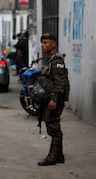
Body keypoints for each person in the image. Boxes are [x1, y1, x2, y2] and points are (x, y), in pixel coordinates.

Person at [38, 32, 70, 166]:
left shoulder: (57, 60)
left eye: (46, 43)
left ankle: (52, 157)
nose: (43, 45)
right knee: (53, 125)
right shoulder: (50, 58)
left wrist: (54, 100)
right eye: (42, 42)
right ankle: (59, 155)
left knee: (53, 127)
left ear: (53, 44)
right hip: (50, 96)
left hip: (55, 98)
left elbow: (60, 82)